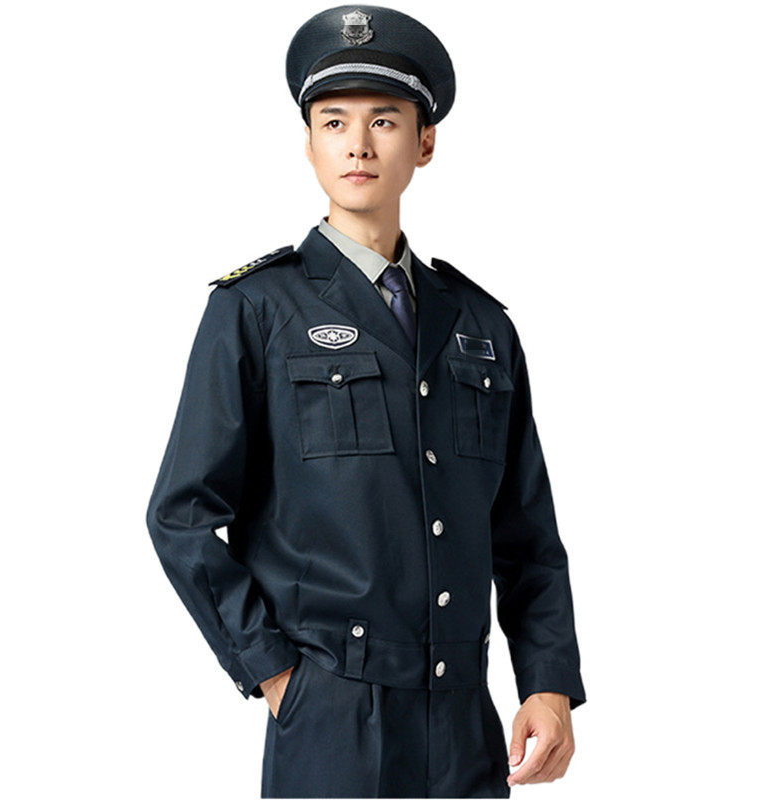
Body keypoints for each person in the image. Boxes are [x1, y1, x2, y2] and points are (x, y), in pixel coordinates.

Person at [146, 5, 586, 797]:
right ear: (309, 143)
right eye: (334, 122)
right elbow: (181, 515)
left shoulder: (480, 325)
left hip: (465, 719)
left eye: (384, 120)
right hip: (332, 717)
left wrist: (547, 680)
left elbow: (525, 530)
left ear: (425, 142)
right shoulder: (256, 310)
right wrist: (275, 673)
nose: (358, 144)